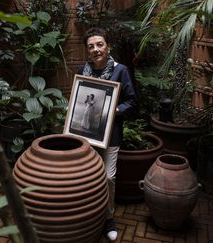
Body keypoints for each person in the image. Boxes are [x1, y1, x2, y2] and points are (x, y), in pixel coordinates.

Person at [79, 27, 137, 241]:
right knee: (87, 176)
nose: (95, 49)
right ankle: (90, 215)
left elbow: (131, 102)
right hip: (85, 132)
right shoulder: (82, 69)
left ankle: (108, 218)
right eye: (91, 46)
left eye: (99, 44)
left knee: (108, 177)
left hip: (110, 133)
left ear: (108, 46)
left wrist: (115, 109)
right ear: (87, 51)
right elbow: (80, 97)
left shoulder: (120, 70)